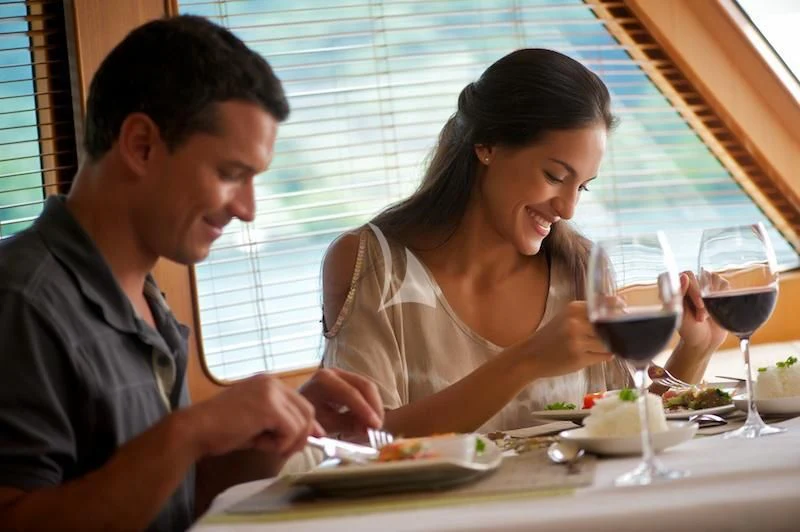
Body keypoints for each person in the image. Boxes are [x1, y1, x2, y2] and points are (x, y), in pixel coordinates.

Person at [0, 15, 383, 532]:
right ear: (141, 145)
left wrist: (280, 427)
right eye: (230, 174)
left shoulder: (147, 303)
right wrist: (189, 432)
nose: (247, 209)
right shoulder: (20, 300)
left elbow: (171, 504)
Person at [321, 49, 726, 437]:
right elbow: (361, 441)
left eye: (582, 187)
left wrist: (697, 349)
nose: (567, 209)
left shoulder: (581, 266)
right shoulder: (371, 262)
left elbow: (624, 427)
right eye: (553, 176)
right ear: (487, 146)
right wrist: (526, 361)